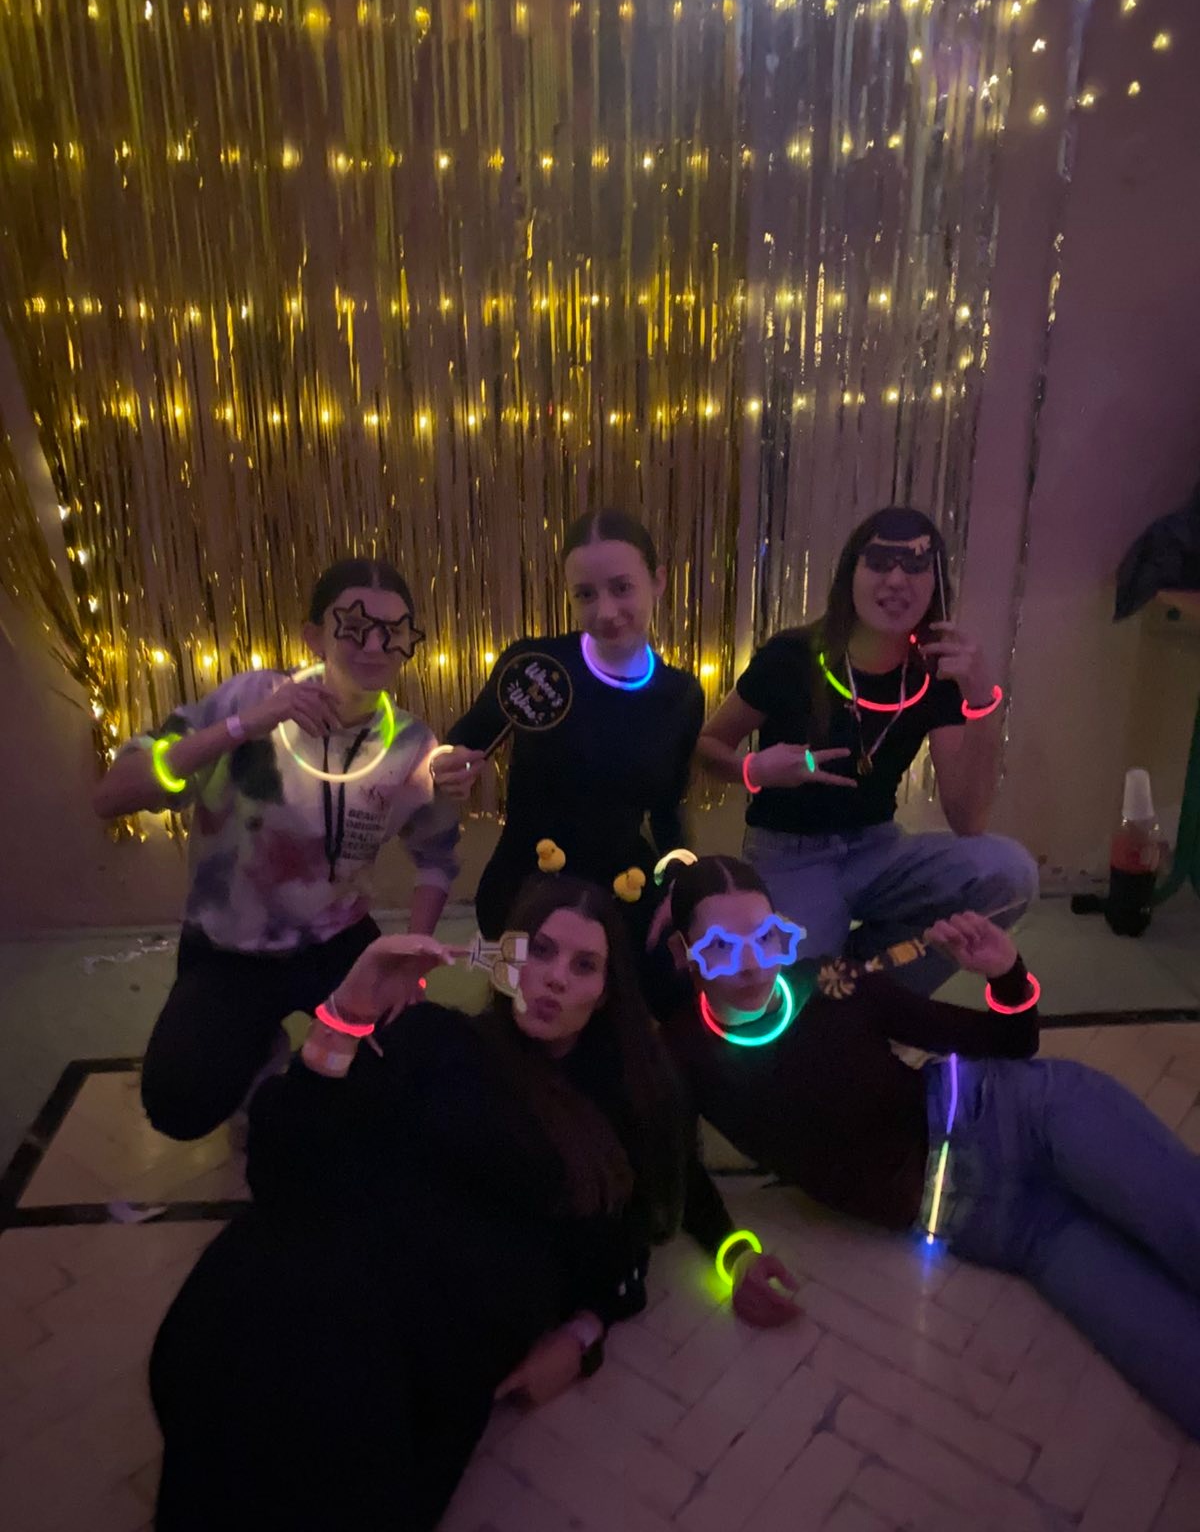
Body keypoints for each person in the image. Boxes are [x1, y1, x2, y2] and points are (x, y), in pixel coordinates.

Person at [149, 873, 795, 1532]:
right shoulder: (435, 1038)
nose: (554, 978)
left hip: (432, 1319)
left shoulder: (625, 1099)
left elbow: (660, 1202)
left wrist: (605, 1323)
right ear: (506, 959)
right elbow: (284, 1168)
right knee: (242, 1333)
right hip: (323, 1255)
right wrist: (343, 1013)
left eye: (583, 966)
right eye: (540, 951)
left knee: (323, 1436)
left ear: (606, 992)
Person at [651, 853, 1200, 1438]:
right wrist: (734, 1253)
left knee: (1186, 1223)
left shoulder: (834, 984)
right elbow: (680, 1172)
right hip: (1003, 1225)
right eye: (721, 947)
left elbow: (1010, 1041)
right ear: (685, 952)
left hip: (1021, 1112)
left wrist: (1006, 974)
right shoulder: (681, 1055)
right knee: (1176, 1364)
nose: (751, 964)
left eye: (765, 938)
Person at [93, 557, 459, 1141]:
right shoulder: (252, 696)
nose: (374, 645)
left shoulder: (411, 744)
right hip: (229, 947)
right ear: (313, 635)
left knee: (404, 1075)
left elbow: (436, 858)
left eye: (393, 631)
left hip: (335, 941)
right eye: (353, 626)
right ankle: (260, 1049)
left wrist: (409, 963)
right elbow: (113, 796)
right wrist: (246, 724)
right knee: (179, 1102)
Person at [696, 505, 1038, 994]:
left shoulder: (934, 673)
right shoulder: (792, 656)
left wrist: (982, 700)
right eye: (879, 562)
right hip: (790, 853)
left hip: (878, 848)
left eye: (915, 565)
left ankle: (873, 989)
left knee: (1009, 873)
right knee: (794, 995)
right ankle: (839, 985)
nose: (896, 580)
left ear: (936, 583)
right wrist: (755, 769)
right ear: (849, 574)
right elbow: (708, 747)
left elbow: (969, 820)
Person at [434, 508, 705, 941]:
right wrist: (445, 764)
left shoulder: (681, 694)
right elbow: (464, 742)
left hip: (621, 895)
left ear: (658, 581)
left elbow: (667, 812)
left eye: (622, 588)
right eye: (585, 595)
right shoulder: (536, 665)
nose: (606, 611)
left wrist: (683, 887)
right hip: (524, 888)